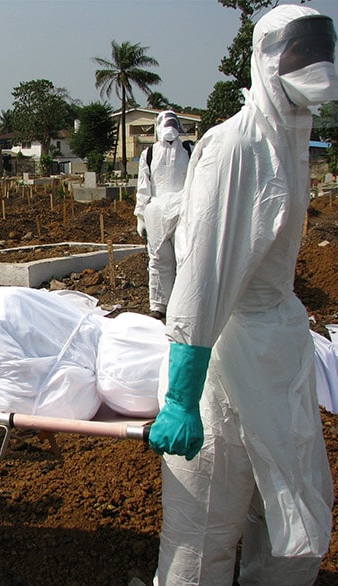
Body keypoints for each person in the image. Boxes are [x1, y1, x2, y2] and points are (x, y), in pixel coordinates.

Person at [148, 5, 336, 584]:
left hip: (277, 355)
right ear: (266, 60)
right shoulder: (237, 148)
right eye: (298, 53)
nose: (314, 67)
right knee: (201, 531)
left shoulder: (294, 141)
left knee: (287, 516)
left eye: (319, 50)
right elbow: (203, 278)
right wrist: (181, 395)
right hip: (221, 364)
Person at [134, 110, 191, 320]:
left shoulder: (188, 150)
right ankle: (159, 305)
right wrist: (140, 216)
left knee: (184, 256)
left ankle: (183, 304)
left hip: (183, 207)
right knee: (158, 258)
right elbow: (144, 186)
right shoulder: (148, 154)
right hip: (156, 210)